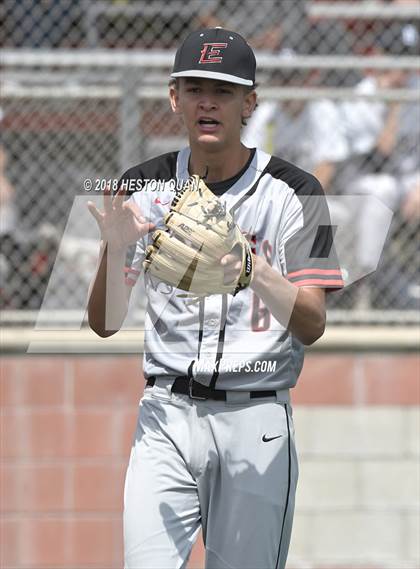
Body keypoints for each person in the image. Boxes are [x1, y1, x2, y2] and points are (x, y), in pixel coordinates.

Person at [87, 28, 343, 569]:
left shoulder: (297, 191)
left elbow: (312, 323)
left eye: (224, 90)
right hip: (165, 414)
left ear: (250, 102)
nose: (208, 101)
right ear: (174, 98)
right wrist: (113, 251)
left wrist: (254, 271)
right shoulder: (141, 187)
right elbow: (105, 323)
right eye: (195, 87)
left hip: (255, 419)